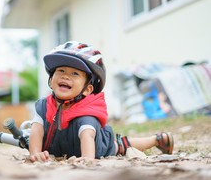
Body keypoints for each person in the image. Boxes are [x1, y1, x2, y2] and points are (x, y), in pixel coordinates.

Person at [28, 41, 174, 162]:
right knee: (121, 143)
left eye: (75, 73)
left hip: (97, 145)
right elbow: (36, 131)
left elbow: (87, 136)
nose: (66, 76)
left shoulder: (85, 115)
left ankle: (157, 139)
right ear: (51, 79)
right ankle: (157, 139)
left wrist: (87, 158)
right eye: (61, 71)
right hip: (61, 144)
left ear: (87, 89)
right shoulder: (43, 106)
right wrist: (35, 153)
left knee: (120, 146)